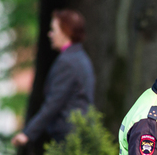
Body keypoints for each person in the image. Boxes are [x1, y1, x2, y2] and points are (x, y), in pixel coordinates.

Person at [11, 9, 95, 147]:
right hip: (78, 134)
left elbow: (54, 103)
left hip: (68, 138)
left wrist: (27, 133)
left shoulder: (67, 61)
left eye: (54, 30)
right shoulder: (81, 58)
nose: (50, 34)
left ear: (65, 32)